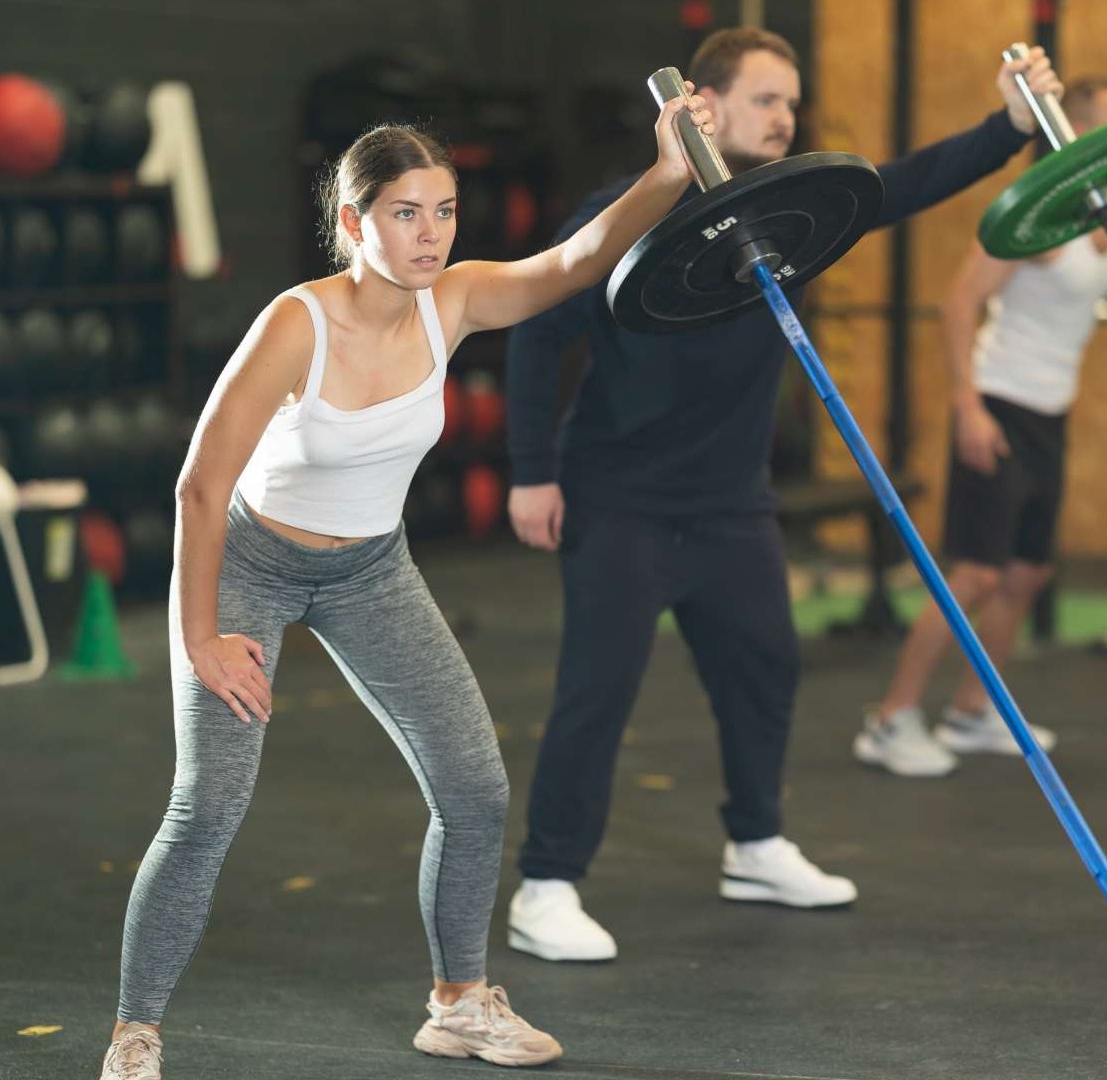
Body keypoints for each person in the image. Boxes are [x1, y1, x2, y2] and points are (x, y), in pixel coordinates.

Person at [96, 89, 716, 1080]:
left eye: (444, 212)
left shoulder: (456, 299)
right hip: (253, 561)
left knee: (474, 788)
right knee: (209, 805)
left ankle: (458, 1004)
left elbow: (575, 262)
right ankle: (136, 1032)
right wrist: (202, 638)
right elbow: (201, 487)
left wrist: (669, 175)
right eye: (404, 213)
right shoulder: (296, 325)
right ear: (352, 222)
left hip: (370, 570)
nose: (430, 235)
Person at [502, 27, 1064, 964]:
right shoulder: (623, 213)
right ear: (706, 108)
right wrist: (530, 471)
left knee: (765, 670)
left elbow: (905, 183)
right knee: (597, 692)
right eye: (768, 99)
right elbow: (531, 332)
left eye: (793, 102)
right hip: (621, 497)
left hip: (730, 503)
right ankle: (547, 884)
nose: (787, 117)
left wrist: (1007, 128)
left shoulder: (793, 210)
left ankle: (756, 845)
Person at [854, 79, 1107, 778]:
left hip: (1050, 411)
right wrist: (967, 405)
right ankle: (891, 718)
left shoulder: (1105, 217)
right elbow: (959, 304)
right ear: (1079, 132)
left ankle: (973, 710)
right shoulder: (1037, 218)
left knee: (1027, 573)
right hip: (998, 405)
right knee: (972, 574)